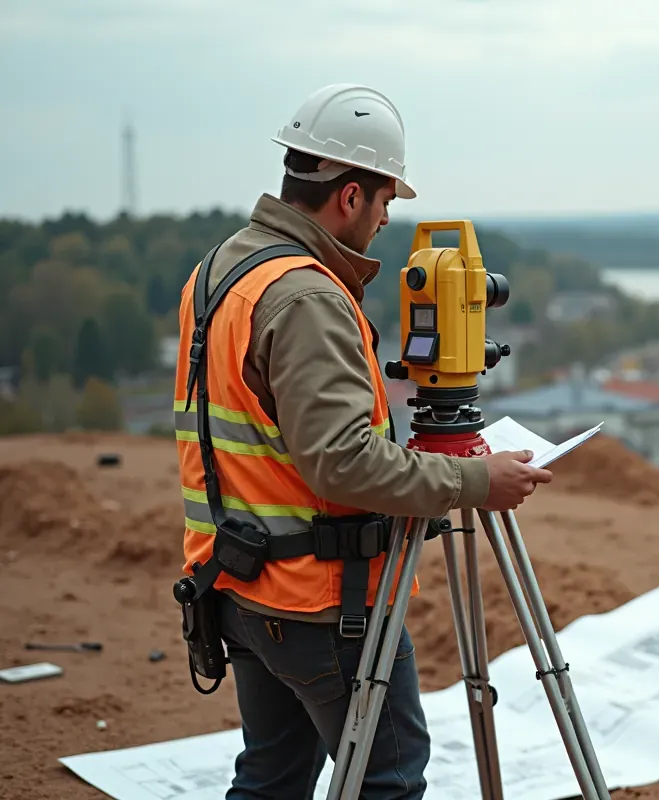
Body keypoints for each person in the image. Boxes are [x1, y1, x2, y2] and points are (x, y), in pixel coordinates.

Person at [171, 84, 552, 799]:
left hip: (239, 582)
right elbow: (342, 461)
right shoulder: (308, 296)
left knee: (272, 778)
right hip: (318, 603)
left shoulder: (222, 269)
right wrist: (478, 481)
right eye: (383, 202)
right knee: (387, 780)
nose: (384, 219)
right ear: (349, 195)